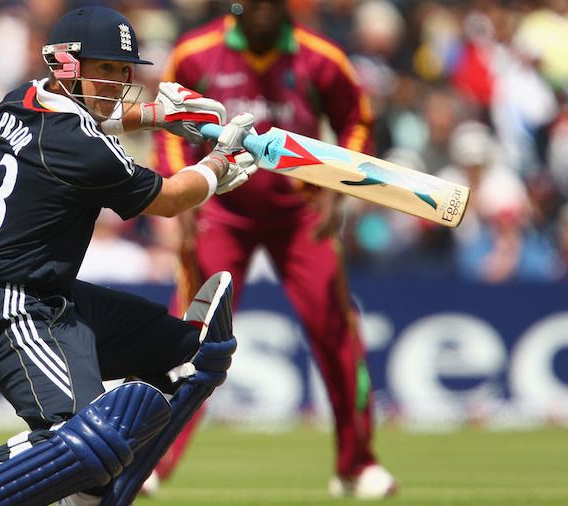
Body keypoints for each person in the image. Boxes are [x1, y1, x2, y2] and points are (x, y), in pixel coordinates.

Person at [0, 6, 256, 506]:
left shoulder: (20, 100)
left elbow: (98, 112)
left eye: (122, 70)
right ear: (69, 67)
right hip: (10, 310)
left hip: (54, 301)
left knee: (187, 356)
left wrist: (161, 115)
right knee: (84, 441)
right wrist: (219, 161)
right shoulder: (79, 146)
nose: (115, 81)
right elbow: (172, 199)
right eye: (104, 69)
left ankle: (95, 491)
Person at [150, 0, 397, 499]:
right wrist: (182, 193)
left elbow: (357, 121)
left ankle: (357, 464)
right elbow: (172, 128)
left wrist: (334, 188)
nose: (262, 10)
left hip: (300, 213)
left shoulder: (320, 56)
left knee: (334, 328)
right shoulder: (197, 53)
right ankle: (152, 459)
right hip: (220, 208)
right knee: (190, 334)